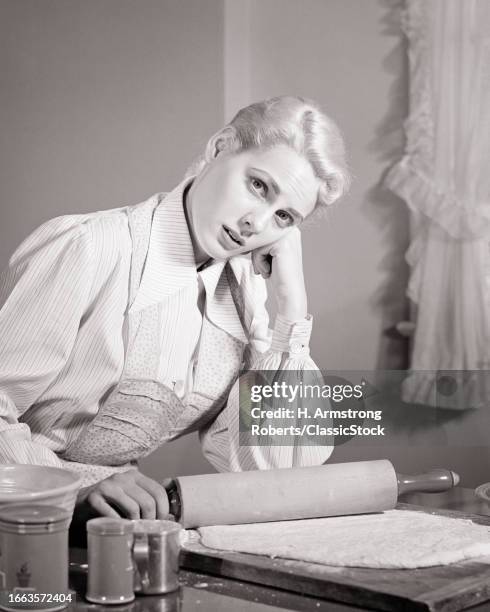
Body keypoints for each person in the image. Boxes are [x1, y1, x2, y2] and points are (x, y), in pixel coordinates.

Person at [0, 96, 350, 521]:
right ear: (220, 147)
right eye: (258, 186)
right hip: (24, 526)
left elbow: (277, 475)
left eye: (283, 217)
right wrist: (75, 486)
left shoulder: (243, 293)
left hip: (113, 532)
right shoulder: (90, 247)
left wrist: (291, 307)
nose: (255, 224)